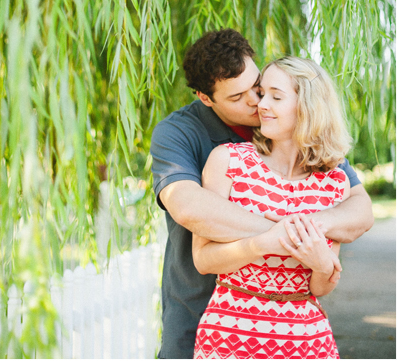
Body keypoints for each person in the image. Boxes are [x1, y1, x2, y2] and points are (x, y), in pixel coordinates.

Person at [149, 29, 373, 359]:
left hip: (291, 328)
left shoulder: (299, 139)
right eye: (238, 97)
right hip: (199, 307)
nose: (257, 102)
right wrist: (289, 235)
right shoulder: (181, 133)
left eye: (257, 87)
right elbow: (188, 207)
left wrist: (310, 238)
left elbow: (360, 211)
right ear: (206, 99)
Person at [192, 56, 351, 358]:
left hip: (306, 342)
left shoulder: (334, 182)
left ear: (308, 106)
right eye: (262, 93)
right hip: (229, 338)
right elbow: (203, 260)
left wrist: (321, 265)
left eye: (276, 97)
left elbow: (320, 288)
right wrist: (262, 243)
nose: (261, 105)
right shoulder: (229, 161)